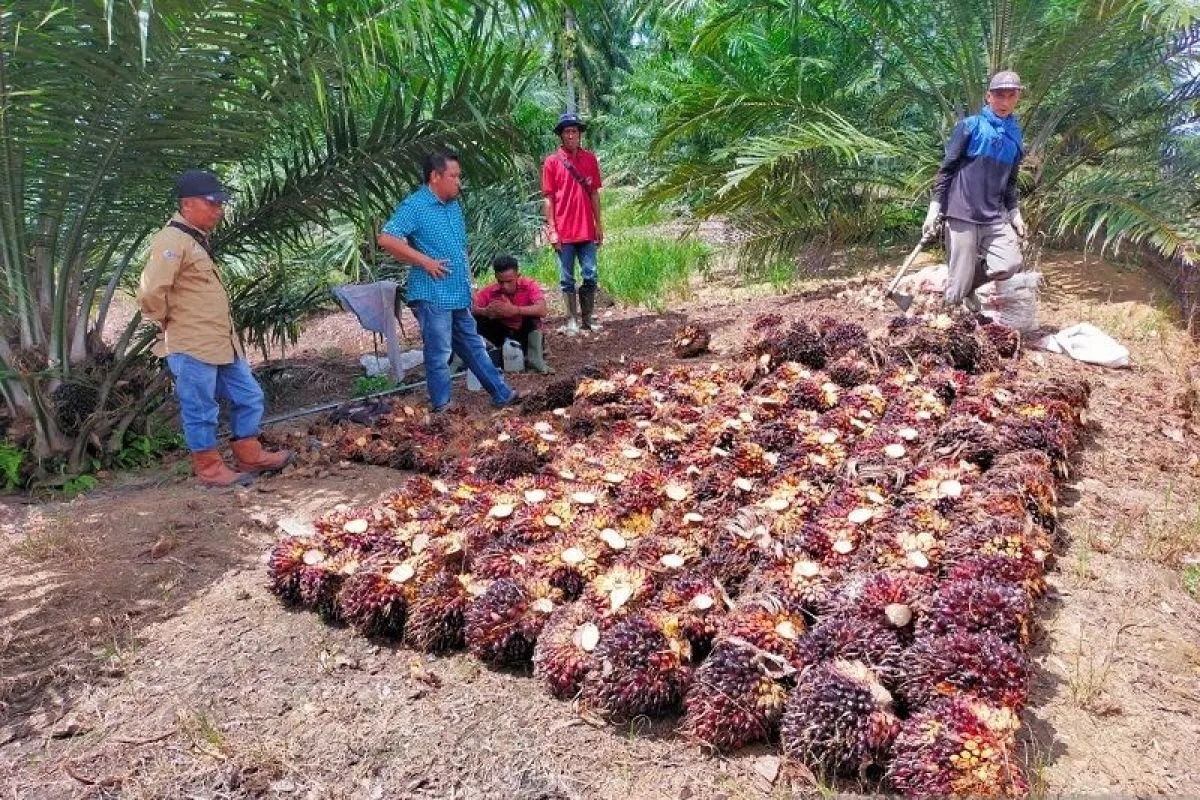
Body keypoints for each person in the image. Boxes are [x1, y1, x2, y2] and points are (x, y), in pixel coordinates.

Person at [138, 169, 292, 487]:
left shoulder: (193, 238)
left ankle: (249, 454)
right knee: (201, 408)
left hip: (221, 342)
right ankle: (209, 469)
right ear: (188, 204)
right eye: (212, 203)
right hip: (192, 344)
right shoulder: (171, 240)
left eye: (221, 203)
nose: (219, 210)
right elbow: (151, 291)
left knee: (249, 395)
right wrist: (165, 321)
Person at [377, 151, 520, 412]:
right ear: (435, 176)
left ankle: (502, 393)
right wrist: (425, 261)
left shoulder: (453, 207)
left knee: (473, 345)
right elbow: (387, 238)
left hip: (456, 292)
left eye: (459, 176)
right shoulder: (415, 206)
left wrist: (469, 284)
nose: (458, 182)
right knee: (440, 352)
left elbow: (460, 249)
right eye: (453, 176)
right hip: (432, 294)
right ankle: (442, 405)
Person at [924, 70, 1027, 311]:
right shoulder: (970, 126)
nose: (1004, 102)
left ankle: (968, 286)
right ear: (988, 97)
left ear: (1017, 98)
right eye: (999, 95)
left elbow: (1010, 181)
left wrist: (1014, 213)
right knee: (957, 284)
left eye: (1011, 96)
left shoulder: (1014, 137)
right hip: (963, 213)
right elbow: (947, 169)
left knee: (1009, 263)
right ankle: (946, 316)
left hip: (994, 216)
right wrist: (934, 209)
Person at [542, 112, 604, 335]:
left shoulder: (589, 159)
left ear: (579, 134)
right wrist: (552, 230)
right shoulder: (552, 162)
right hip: (564, 230)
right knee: (566, 278)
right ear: (561, 135)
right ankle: (570, 320)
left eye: (574, 131)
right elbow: (548, 198)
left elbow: (594, 193)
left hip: (586, 228)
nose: (571, 135)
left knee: (590, 274)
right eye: (567, 131)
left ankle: (587, 318)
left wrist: (599, 224)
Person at [472, 255, 552, 374]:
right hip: (503, 335)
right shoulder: (490, 292)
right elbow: (470, 308)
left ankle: (535, 358)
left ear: (517, 276)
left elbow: (542, 310)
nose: (505, 286)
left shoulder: (529, 285)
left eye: (509, 281)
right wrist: (485, 311)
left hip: (525, 332)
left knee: (533, 316)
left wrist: (514, 310)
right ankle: (489, 352)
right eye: (501, 282)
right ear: (496, 278)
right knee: (476, 318)